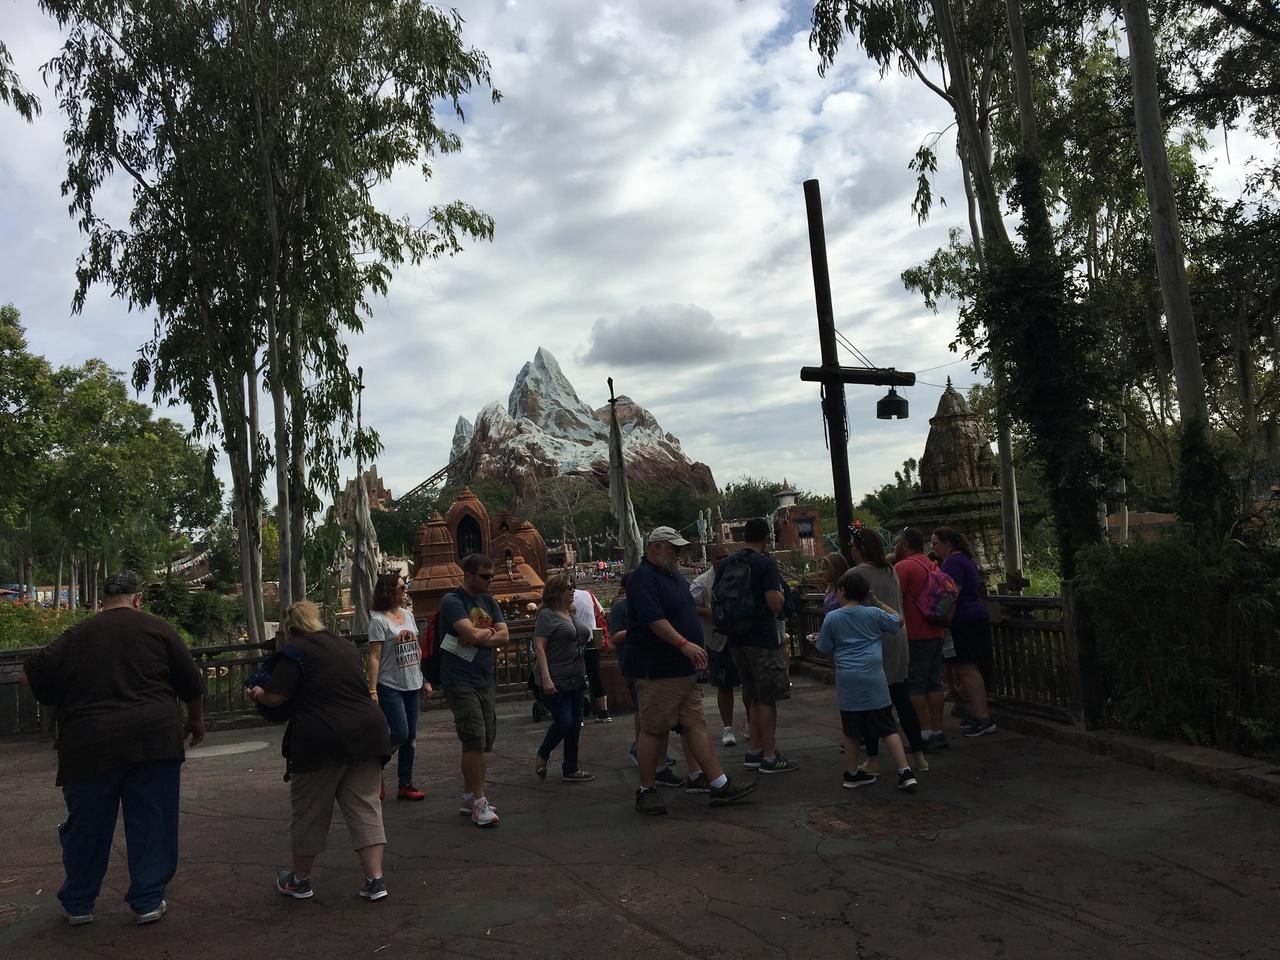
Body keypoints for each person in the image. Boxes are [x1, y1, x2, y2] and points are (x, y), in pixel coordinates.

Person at [22, 571, 204, 926]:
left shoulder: (77, 634)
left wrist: (62, 699)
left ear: (102, 601)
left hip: (90, 743)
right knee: (152, 819)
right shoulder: (159, 630)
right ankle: (148, 900)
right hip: (153, 740)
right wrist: (195, 720)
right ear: (138, 599)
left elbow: (30, 675)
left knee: (87, 826)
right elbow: (191, 682)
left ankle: (79, 903)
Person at [252, 601, 392, 902]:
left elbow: (276, 697)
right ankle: (375, 879)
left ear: (290, 629)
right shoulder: (344, 646)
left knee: (310, 812)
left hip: (320, 739)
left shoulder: (295, 652)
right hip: (368, 733)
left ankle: (299, 880)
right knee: (365, 806)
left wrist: (259, 692)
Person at [628, 526, 758, 814]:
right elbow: (654, 620)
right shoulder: (643, 578)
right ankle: (646, 789)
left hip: (683, 669)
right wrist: (684, 643)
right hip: (658, 668)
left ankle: (718, 783)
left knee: (695, 724)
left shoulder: (672, 575)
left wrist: (693, 649)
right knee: (653, 729)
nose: (679, 553)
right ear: (657, 547)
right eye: (674, 548)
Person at [816, 571, 919, 792]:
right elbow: (898, 620)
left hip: (848, 678)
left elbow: (824, 647)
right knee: (887, 726)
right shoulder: (873, 613)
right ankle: (905, 771)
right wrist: (878, 602)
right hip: (873, 676)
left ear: (842, 591)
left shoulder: (832, 617)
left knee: (852, 730)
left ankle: (851, 773)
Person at [718, 517, 797, 774]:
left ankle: (753, 751)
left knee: (752, 695)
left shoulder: (728, 562)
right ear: (766, 538)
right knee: (767, 698)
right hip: (761, 638)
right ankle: (770, 756)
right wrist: (782, 597)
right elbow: (774, 602)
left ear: (744, 536)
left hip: (735, 638)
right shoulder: (765, 564)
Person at [849, 526, 928, 773]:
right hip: (897, 637)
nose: (850, 550)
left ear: (861, 548)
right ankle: (919, 756)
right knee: (902, 698)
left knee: (870, 703)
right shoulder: (890, 569)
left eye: (852, 545)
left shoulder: (854, 575)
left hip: (870, 641)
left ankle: (873, 759)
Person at [440, 553, 510, 827]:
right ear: (468, 575)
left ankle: (470, 796)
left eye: (491, 576)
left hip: (484, 678)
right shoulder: (453, 601)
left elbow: (505, 636)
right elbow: (469, 634)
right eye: (485, 576)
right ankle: (480, 802)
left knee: (484, 739)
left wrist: (481, 636)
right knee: (474, 738)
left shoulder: (489, 601)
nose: (490, 581)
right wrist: (487, 633)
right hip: (459, 680)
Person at [366, 573, 429, 801]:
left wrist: (424, 678)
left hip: (412, 681)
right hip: (390, 683)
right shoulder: (378, 621)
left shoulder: (408, 615)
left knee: (410, 736)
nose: (405, 592)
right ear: (388, 592)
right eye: (401, 588)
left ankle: (405, 782)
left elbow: (417, 649)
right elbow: (374, 656)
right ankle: (374, 766)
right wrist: (372, 689)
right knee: (400, 732)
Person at [932, 527, 998, 737]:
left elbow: (951, 594)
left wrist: (938, 614)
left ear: (947, 543)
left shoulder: (953, 563)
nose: (933, 548)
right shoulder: (964, 560)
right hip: (974, 615)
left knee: (966, 667)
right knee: (966, 667)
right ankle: (977, 713)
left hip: (964, 618)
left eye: (935, 543)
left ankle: (982, 717)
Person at [532, 573, 595, 782]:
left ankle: (571, 767)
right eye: (569, 588)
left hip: (575, 674)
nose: (573, 591)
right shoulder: (547, 615)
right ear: (557, 592)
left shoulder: (570, 612)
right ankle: (543, 752)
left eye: (573, 587)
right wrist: (546, 678)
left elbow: (580, 634)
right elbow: (539, 647)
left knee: (576, 723)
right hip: (555, 676)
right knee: (564, 721)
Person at [894, 527, 949, 751]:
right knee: (934, 683)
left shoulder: (903, 567)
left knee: (915, 685)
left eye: (897, 543)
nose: (895, 547)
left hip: (915, 633)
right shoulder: (931, 564)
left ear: (905, 545)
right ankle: (938, 731)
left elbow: (894, 600)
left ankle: (922, 733)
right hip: (936, 630)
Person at [690, 544, 745, 747]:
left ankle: (751, 723)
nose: (723, 560)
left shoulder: (741, 575)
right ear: (712, 560)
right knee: (724, 685)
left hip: (741, 636)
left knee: (748, 683)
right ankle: (727, 727)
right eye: (718, 557)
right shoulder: (702, 581)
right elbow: (691, 605)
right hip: (717, 639)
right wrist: (713, 614)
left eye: (725, 556)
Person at [571, 585, 612, 722]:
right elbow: (601, 612)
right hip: (593, 638)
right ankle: (604, 712)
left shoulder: (563, 598)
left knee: (575, 676)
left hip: (574, 640)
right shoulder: (588, 594)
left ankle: (578, 715)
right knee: (594, 675)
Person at [820, 552, 849, 616]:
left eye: (824, 569)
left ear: (834, 570)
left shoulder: (846, 590)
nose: (821, 573)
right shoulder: (830, 587)